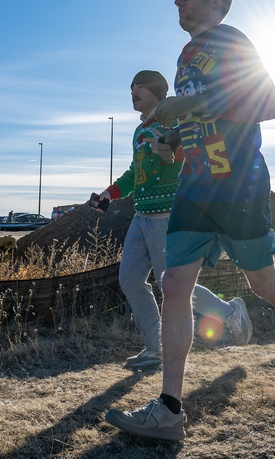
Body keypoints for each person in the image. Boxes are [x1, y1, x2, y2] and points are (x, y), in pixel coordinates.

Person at [106, 0, 275, 442]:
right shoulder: (186, 54)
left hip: (238, 182)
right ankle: (170, 409)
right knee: (174, 283)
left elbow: (269, 104)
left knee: (261, 280)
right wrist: (173, 137)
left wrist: (189, 109)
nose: (177, 1)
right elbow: (198, 117)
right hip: (194, 183)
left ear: (216, 0)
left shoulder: (231, 41)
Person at [94, 71, 252, 370]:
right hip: (141, 216)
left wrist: (173, 153)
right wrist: (108, 194)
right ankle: (155, 348)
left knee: (174, 286)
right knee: (130, 279)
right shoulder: (141, 131)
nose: (133, 92)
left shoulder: (175, 121)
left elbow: (197, 153)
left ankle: (229, 312)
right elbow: (133, 174)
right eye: (130, 87)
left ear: (156, 92)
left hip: (169, 214)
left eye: (138, 86)